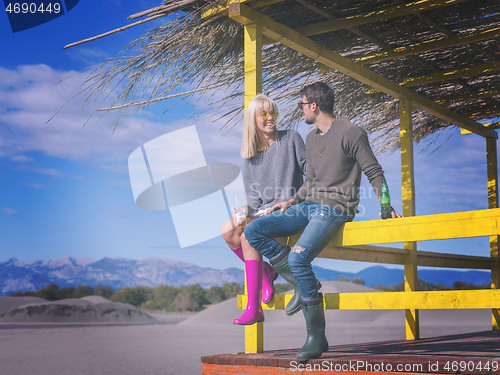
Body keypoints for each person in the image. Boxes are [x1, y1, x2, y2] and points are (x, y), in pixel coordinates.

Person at [244, 82, 403, 361]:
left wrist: (386, 205)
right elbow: (311, 181)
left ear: (313, 105)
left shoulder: (352, 132)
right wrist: (291, 201)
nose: (300, 109)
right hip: (307, 205)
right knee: (254, 229)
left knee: (298, 257)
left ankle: (316, 335)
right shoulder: (311, 137)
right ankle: (299, 282)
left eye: (301, 104)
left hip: (335, 208)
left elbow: (374, 171)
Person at [220, 93, 307, 325]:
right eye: (264, 114)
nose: (271, 118)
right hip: (264, 212)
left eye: (274, 113)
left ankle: (254, 307)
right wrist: (244, 210)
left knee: (249, 235)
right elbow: (254, 200)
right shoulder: (250, 156)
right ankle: (266, 273)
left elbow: (312, 173)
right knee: (228, 230)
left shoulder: (291, 138)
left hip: (290, 208)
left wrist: (298, 198)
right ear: (253, 119)